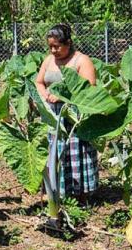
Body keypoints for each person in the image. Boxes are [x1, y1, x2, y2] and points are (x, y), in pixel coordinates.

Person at [35, 23, 99, 200]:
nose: (53, 50)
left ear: (68, 43)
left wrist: (63, 96)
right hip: (53, 115)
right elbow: (39, 82)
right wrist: (44, 94)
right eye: (50, 47)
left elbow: (89, 89)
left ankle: (79, 193)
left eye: (57, 46)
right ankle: (56, 190)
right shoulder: (49, 60)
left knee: (75, 150)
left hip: (74, 116)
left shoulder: (81, 61)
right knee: (54, 152)